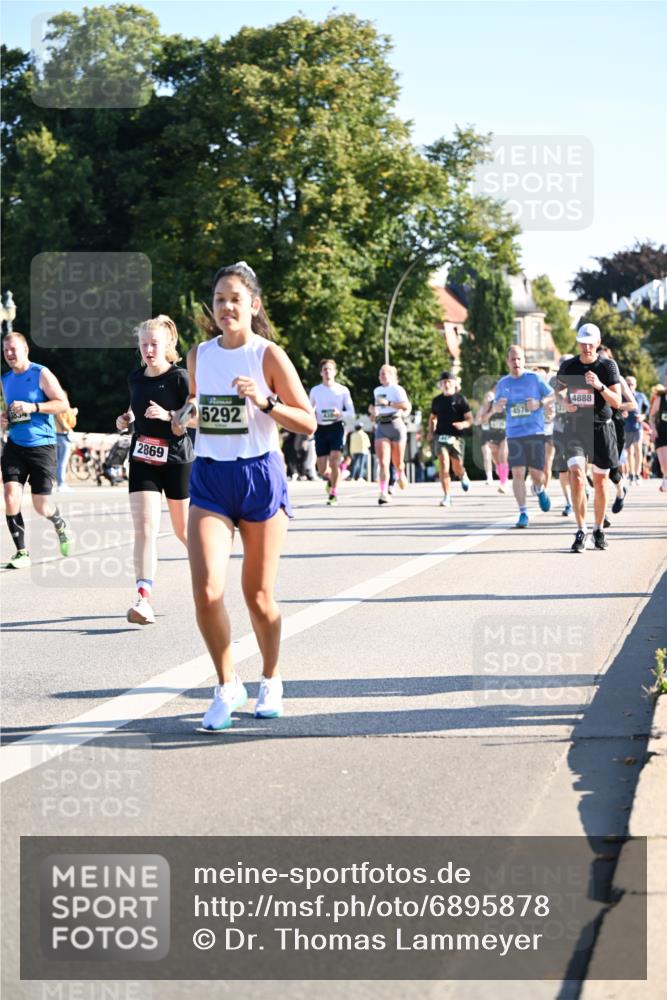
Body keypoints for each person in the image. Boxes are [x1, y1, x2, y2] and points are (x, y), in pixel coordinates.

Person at [172, 261, 316, 731]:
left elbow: (308, 421)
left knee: (257, 596)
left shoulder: (268, 354)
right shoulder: (199, 355)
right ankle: (226, 684)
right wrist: (186, 415)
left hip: (259, 476)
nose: (226, 307)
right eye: (218, 299)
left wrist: (266, 401)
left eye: (235, 299)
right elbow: (198, 405)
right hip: (211, 478)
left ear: (253, 306)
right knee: (208, 591)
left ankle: (271, 678)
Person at [116, 315, 193, 625]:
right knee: (145, 527)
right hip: (143, 458)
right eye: (144, 344)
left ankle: (210, 571)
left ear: (168, 346)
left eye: (154, 344)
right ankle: (143, 598)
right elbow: (135, 410)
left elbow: (193, 419)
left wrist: (170, 414)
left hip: (176, 459)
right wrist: (125, 420)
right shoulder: (136, 377)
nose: (148, 350)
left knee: (183, 530)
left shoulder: (180, 378)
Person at [1, 332, 71, 569]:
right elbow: (12, 412)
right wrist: (5, 418)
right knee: (10, 496)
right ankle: (22, 552)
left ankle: (59, 522)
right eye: (6, 350)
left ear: (25, 350)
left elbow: (62, 403)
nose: (10, 354)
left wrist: (33, 406)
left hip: (42, 446)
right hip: (15, 445)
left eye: (13, 349)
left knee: (42, 506)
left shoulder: (40, 373)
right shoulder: (5, 379)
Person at [557, 324, 622, 551]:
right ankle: (581, 529)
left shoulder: (607, 366)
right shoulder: (568, 366)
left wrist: (599, 386)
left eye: (590, 342)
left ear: (597, 342)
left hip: (602, 428)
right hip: (575, 428)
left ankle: (599, 530)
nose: (586, 346)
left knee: (601, 483)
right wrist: (563, 402)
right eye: (582, 342)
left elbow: (617, 402)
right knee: (576, 475)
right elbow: (556, 390)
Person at [493, 346, 553, 528]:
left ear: (524, 360)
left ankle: (540, 489)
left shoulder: (534, 378)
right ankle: (523, 512)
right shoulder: (503, 383)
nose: (516, 363)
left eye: (519, 359)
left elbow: (552, 395)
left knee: (537, 474)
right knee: (518, 473)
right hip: (514, 433)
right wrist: (499, 405)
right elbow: (495, 407)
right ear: (507, 362)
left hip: (534, 432)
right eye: (513, 359)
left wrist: (539, 403)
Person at [308, 359, 354, 505]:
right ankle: (332, 479)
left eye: (330, 369)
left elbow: (351, 412)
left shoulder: (342, 390)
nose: (327, 372)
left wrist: (339, 413)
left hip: (336, 427)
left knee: (334, 461)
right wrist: (312, 416)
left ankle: (333, 493)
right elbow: (309, 409)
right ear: (321, 373)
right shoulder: (315, 390)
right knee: (322, 469)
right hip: (321, 429)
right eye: (325, 369)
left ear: (335, 372)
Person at [428, 371, 472, 508]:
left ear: (454, 384)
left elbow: (470, 419)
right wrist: (430, 431)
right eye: (443, 382)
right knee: (443, 463)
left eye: (449, 382)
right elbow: (432, 418)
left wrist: (463, 424)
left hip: (457, 438)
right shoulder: (437, 401)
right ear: (440, 385)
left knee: (457, 466)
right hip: (440, 436)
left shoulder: (461, 400)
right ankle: (447, 496)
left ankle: (463, 475)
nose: (446, 384)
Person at [372, 364, 411, 504]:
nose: (382, 376)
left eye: (385, 373)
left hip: (396, 424)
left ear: (392, 376)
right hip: (382, 425)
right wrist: (373, 412)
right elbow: (377, 408)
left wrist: (388, 403)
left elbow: (405, 406)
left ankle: (401, 473)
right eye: (380, 373)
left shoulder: (397, 389)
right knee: (383, 462)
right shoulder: (376, 390)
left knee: (398, 462)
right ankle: (383, 493)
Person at [623, 375, 650, 485]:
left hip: (637, 426)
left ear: (635, 385)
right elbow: (615, 407)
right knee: (629, 452)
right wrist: (621, 412)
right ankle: (631, 474)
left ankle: (638, 474)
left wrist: (643, 416)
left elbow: (647, 408)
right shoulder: (621, 396)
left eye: (632, 384)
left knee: (638, 450)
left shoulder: (640, 395)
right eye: (628, 384)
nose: (630, 386)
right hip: (626, 426)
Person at [54, 404, 78, 491]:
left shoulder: (52, 409)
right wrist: (72, 414)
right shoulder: (64, 409)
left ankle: (52, 484)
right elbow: (71, 424)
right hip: (64, 437)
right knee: (62, 463)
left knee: (55, 462)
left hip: (54, 436)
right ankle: (61, 484)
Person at [648, 377, 667, 492]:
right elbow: (652, 416)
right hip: (662, 434)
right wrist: (653, 429)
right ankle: (665, 476)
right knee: (664, 463)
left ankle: (665, 480)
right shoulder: (660, 398)